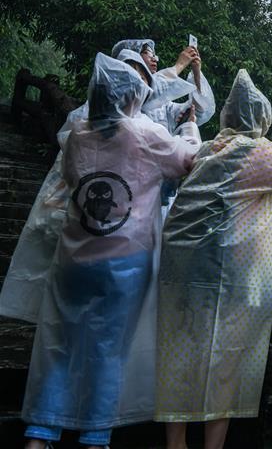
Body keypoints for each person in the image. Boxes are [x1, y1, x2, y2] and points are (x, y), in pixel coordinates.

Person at [20, 53, 201, 449]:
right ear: (131, 95)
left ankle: (42, 433)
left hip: (74, 254)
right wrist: (189, 129)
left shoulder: (79, 134)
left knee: (61, 343)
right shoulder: (146, 134)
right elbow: (188, 162)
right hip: (126, 262)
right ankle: (95, 435)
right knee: (109, 348)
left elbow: (70, 179)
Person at [155, 70, 272, 449]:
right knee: (226, 361)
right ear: (260, 119)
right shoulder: (258, 152)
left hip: (180, 266)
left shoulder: (211, 147)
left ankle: (175, 442)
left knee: (180, 354)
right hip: (225, 274)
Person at [0, 39, 214, 323]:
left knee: (71, 317)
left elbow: (198, 107)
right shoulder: (142, 124)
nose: (154, 61)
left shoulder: (86, 127)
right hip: (122, 229)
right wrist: (179, 70)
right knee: (109, 324)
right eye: (148, 56)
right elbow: (184, 151)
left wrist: (194, 72)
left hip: (104, 221)